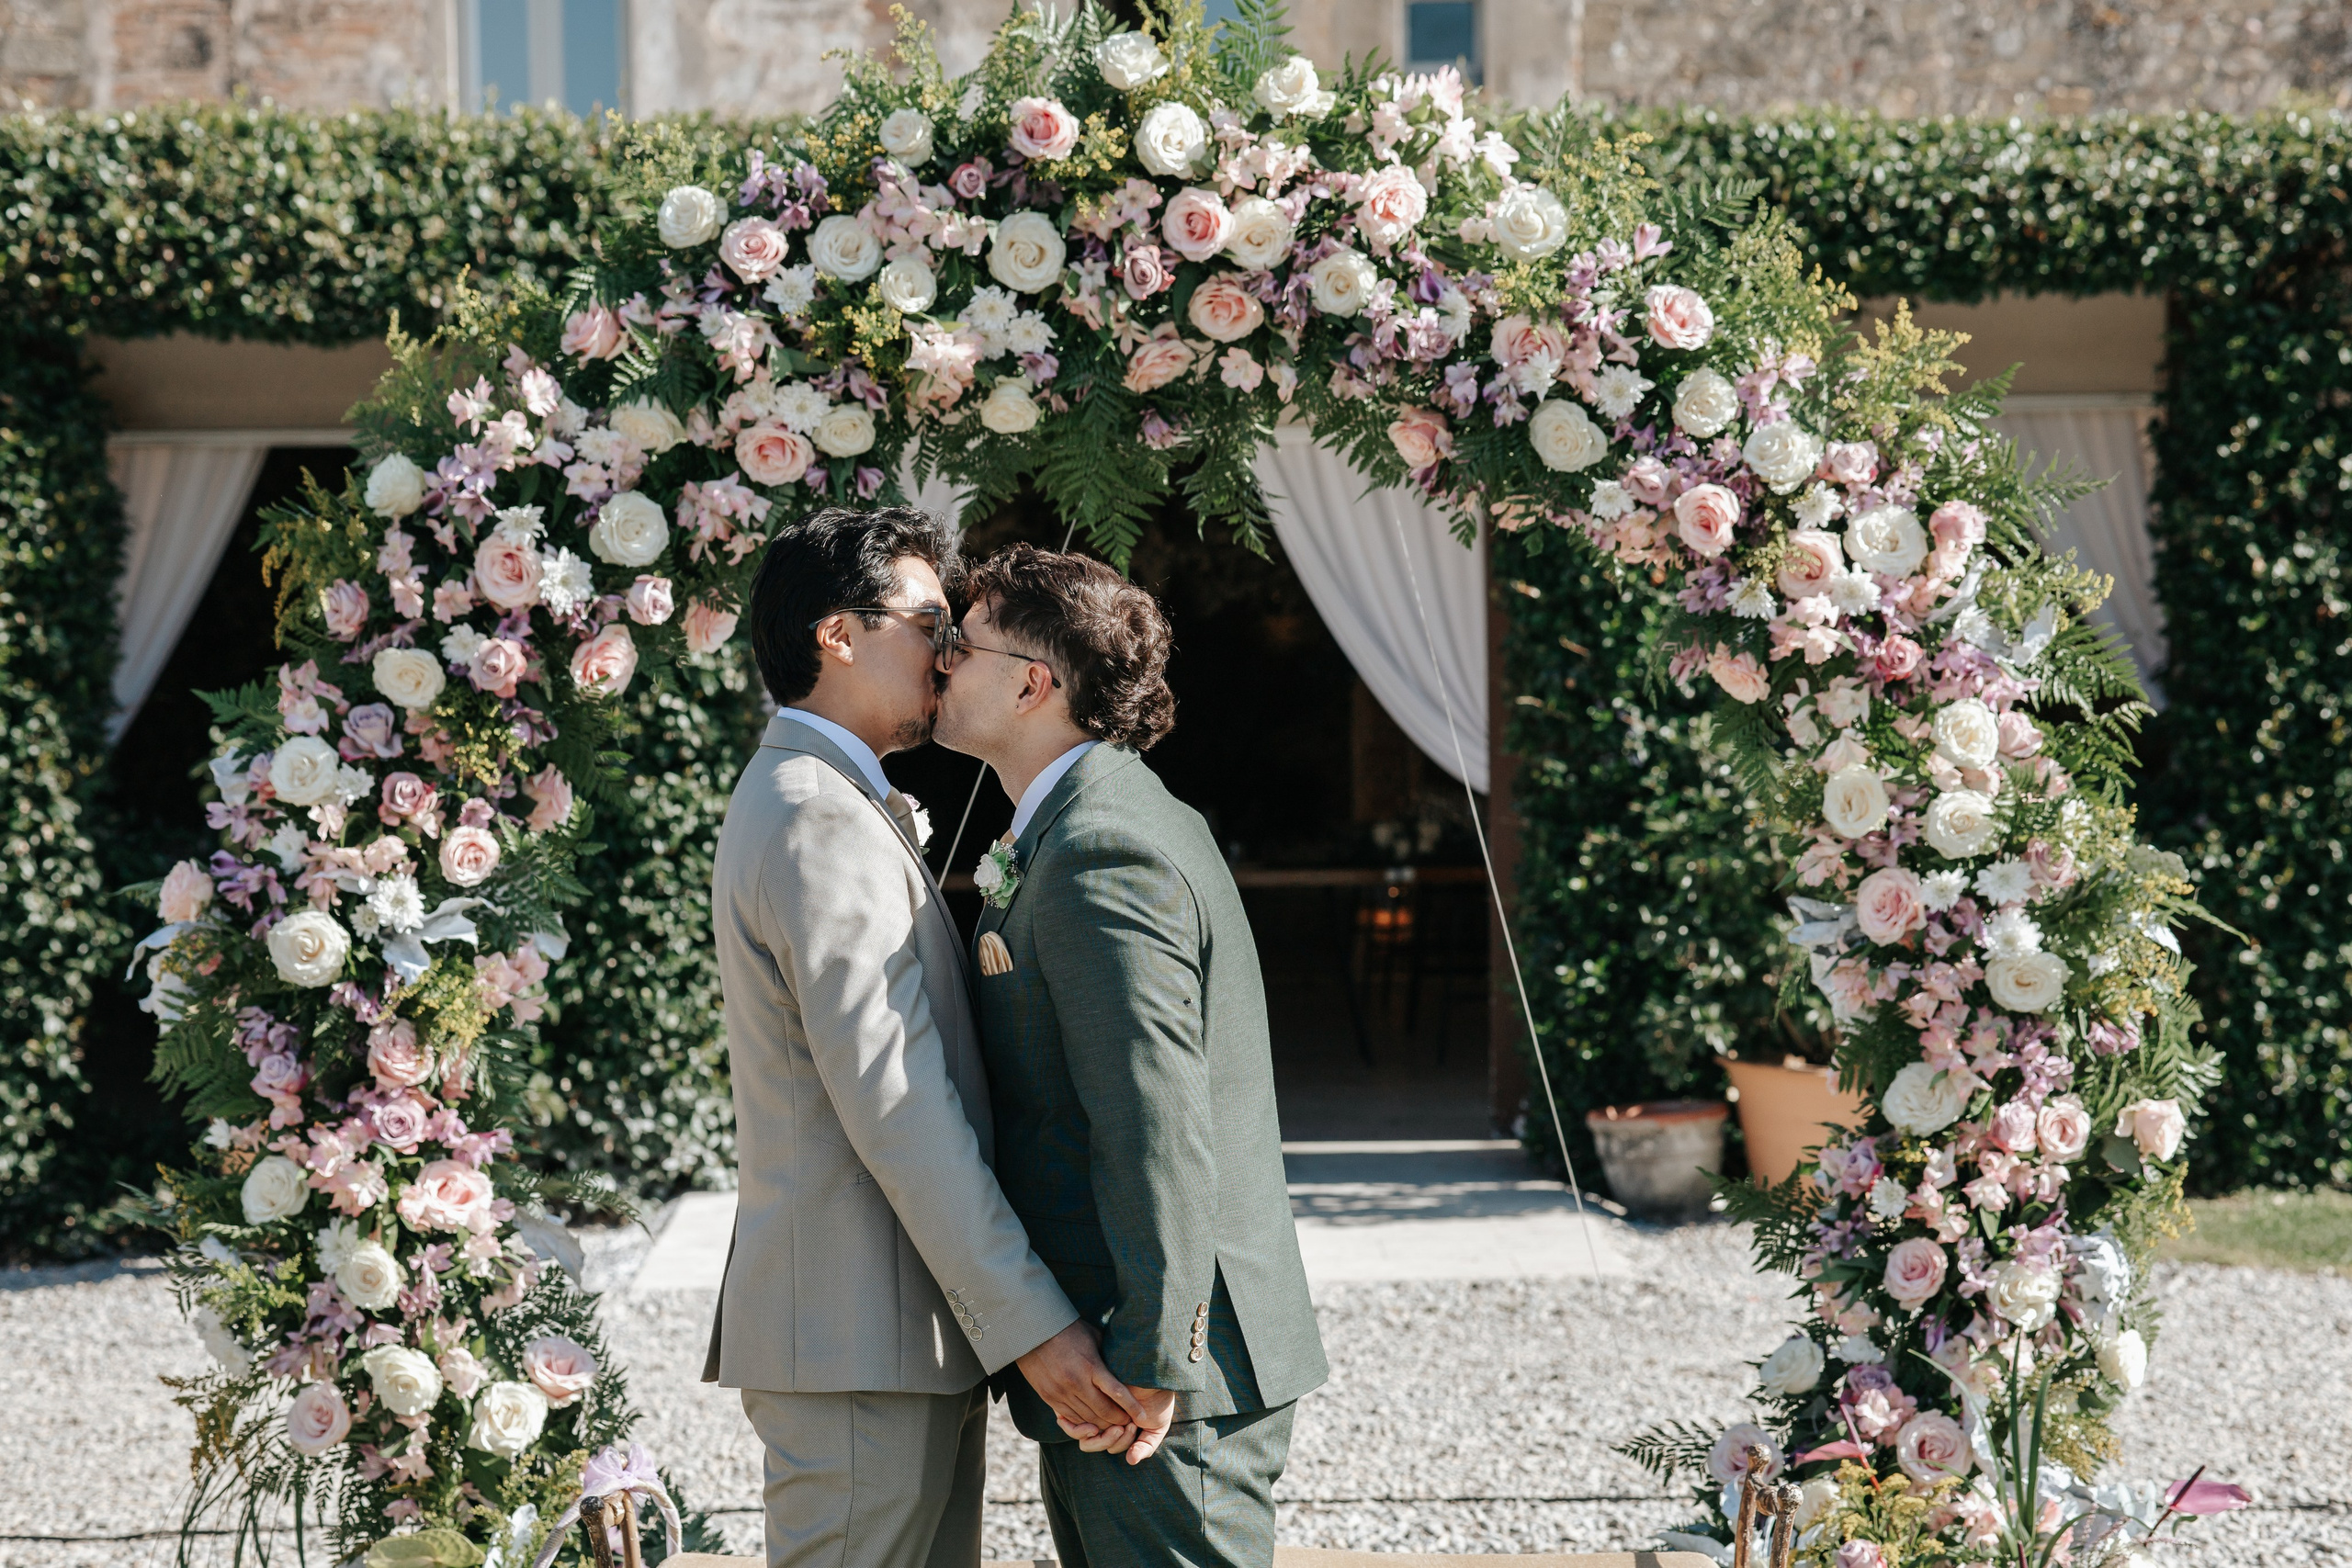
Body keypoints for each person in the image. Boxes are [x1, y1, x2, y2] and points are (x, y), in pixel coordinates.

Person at [704, 508, 1145, 1568]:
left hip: (893, 1334)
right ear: (838, 636)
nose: (951, 653)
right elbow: (898, 1101)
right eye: (930, 622)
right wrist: (1034, 1326)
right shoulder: (814, 815)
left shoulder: (827, 797)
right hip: (859, 1338)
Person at [932, 543, 1329, 1568]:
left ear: (1033, 682)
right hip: (1121, 1356)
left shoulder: (1103, 847)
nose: (937, 661)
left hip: (1151, 1378)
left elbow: (1153, 1117)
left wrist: (1155, 1358)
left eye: (957, 642)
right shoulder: (1085, 820)